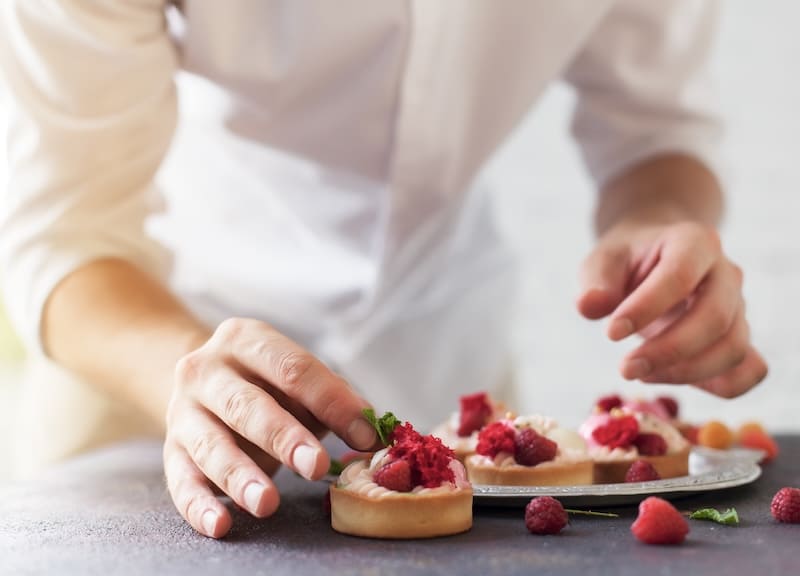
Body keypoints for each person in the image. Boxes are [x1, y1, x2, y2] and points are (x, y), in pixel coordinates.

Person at [0, 1, 767, 538]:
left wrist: (656, 223)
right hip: (159, 356)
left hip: (445, 343)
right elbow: (63, 228)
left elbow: (656, 126)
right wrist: (176, 369)